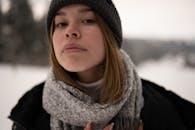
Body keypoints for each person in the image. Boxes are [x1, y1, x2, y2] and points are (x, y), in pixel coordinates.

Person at [9, 0, 195, 130]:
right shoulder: (30, 112)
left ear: (110, 37)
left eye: (88, 20)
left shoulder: (162, 110)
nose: (70, 31)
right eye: (61, 23)